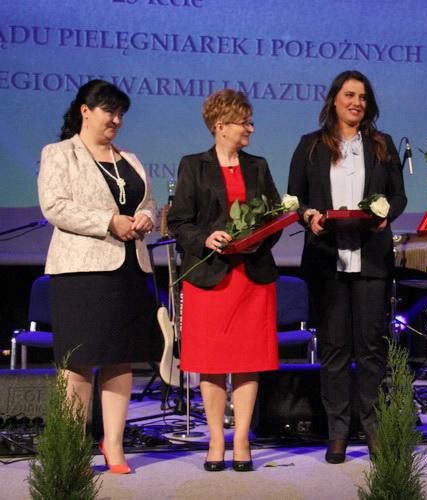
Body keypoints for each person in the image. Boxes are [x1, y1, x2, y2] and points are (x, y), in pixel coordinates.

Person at [38, 79, 158, 474]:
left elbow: (149, 203)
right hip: (81, 273)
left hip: (128, 270)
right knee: (77, 362)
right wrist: (109, 221)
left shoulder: (130, 158)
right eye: (110, 111)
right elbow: (55, 206)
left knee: (119, 360)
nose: (117, 120)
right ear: (85, 111)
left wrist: (147, 216)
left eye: (121, 114)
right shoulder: (59, 153)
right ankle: (72, 449)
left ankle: (114, 445)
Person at [288, 70, 407, 464]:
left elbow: (398, 196)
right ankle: (337, 433)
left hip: (371, 258)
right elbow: (296, 198)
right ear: (334, 100)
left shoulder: (382, 144)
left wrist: (387, 215)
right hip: (327, 259)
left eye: (363, 97)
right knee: (335, 350)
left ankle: (373, 430)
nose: (357, 102)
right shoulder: (310, 145)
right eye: (350, 95)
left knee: (371, 350)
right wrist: (309, 216)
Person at [168, 89, 281, 472]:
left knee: (248, 360)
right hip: (209, 278)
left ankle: (242, 439)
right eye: (244, 122)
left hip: (252, 277)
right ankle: (217, 438)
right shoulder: (193, 165)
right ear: (220, 126)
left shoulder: (258, 166)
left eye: (250, 121)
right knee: (212, 362)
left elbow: (275, 218)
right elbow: (179, 222)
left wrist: (256, 239)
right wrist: (205, 238)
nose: (251, 128)